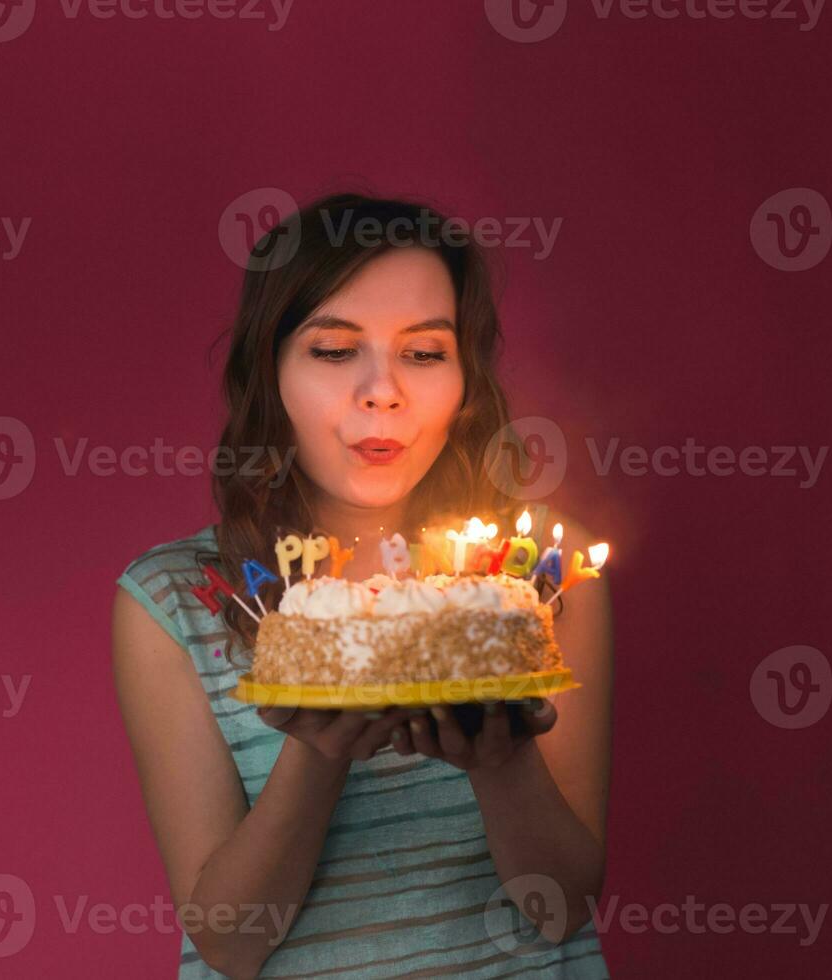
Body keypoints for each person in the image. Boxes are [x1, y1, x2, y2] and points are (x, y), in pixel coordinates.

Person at [112, 192, 613, 978]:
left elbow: (560, 907)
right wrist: (316, 753)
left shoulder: (534, 580)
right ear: (268, 373)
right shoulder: (182, 600)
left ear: (466, 380)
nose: (382, 391)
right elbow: (232, 943)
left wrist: (503, 762)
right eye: (335, 350)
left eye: (422, 353)